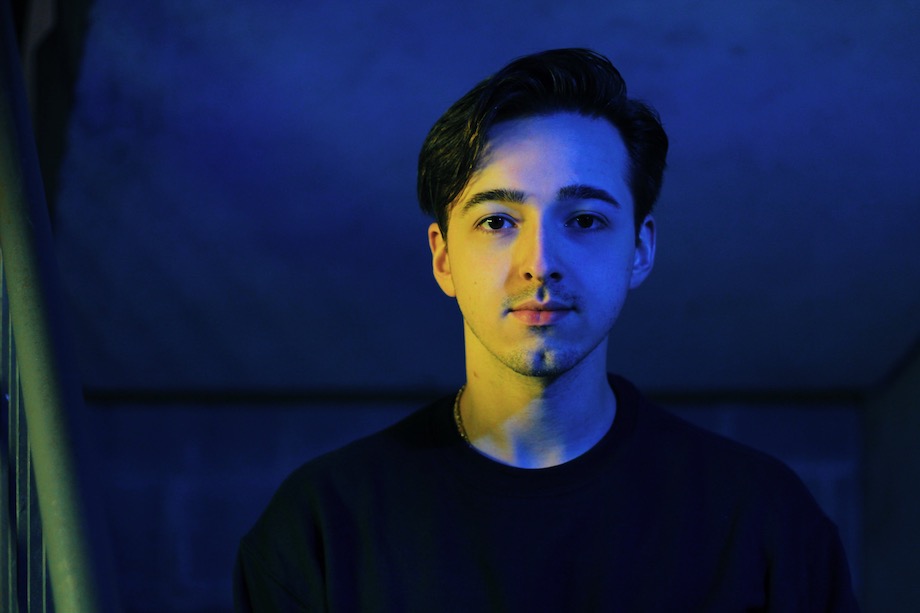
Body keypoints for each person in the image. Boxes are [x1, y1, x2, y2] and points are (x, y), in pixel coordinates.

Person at [234, 48, 859, 611]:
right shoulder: (321, 526)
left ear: (640, 250)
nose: (540, 262)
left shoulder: (764, 521)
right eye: (497, 222)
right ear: (443, 258)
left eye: (584, 220)